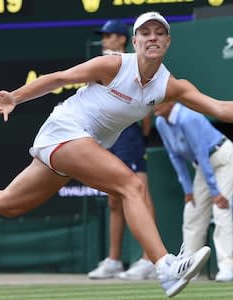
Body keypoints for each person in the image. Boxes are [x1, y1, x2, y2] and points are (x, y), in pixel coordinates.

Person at [0, 12, 233, 297]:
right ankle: (166, 267)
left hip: (77, 144)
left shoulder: (170, 86)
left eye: (159, 33)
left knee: (7, 202)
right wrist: (16, 96)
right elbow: (60, 78)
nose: (152, 37)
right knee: (130, 185)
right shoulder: (112, 64)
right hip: (65, 130)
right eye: (145, 32)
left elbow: (217, 106)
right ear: (133, 40)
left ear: (167, 43)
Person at [87, 19, 156, 281]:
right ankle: (114, 260)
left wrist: (140, 134)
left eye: (109, 36)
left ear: (122, 39)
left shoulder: (132, 64)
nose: (104, 40)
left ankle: (149, 259)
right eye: (103, 36)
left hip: (129, 136)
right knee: (114, 198)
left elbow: (147, 106)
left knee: (140, 194)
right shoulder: (101, 65)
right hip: (106, 136)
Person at [154, 101, 233, 282]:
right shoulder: (161, 122)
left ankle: (227, 267)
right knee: (192, 214)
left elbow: (200, 152)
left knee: (221, 211)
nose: (152, 106)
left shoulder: (188, 118)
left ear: (170, 101)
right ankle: (189, 268)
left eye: (157, 101)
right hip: (203, 166)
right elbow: (174, 155)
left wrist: (215, 192)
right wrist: (187, 189)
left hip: (223, 158)